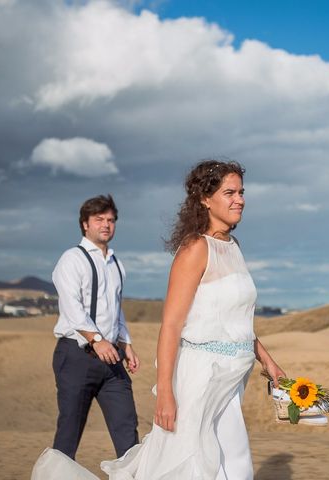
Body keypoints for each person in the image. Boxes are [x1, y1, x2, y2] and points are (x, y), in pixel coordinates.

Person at [101, 160, 285, 479]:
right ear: (205, 198)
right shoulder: (196, 248)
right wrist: (166, 393)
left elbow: (237, 322)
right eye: (229, 192)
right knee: (225, 468)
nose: (239, 199)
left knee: (226, 467)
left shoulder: (233, 246)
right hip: (201, 377)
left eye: (241, 192)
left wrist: (269, 363)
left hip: (231, 379)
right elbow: (171, 325)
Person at [51, 194, 140, 460]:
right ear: (85, 224)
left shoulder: (116, 263)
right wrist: (96, 339)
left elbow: (115, 308)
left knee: (127, 429)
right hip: (77, 356)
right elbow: (72, 307)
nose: (106, 225)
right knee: (69, 430)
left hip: (111, 358)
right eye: (99, 219)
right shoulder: (71, 259)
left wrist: (126, 343)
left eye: (111, 220)